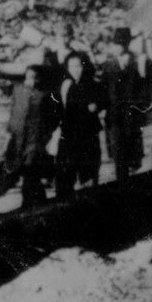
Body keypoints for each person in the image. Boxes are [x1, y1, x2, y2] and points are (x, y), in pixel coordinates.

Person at [0, 64, 55, 209]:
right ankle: (35, 202)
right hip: (19, 137)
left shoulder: (44, 94)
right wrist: (8, 135)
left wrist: (48, 138)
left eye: (34, 77)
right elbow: (14, 114)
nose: (30, 81)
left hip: (36, 138)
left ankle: (30, 203)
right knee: (22, 169)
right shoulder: (18, 90)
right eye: (28, 77)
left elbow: (51, 119)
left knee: (30, 169)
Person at [53, 51, 106, 196]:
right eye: (72, 67)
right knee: (65, 175)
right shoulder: (64, 85)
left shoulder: (91, 84)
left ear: (84, 66)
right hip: (68, 135)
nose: (75, 70)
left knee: (89, 175)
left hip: (88, 135)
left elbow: (104, 99)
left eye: (78, 66)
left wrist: (96, 105)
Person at [103, 51, 148, 181]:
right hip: (115, 118)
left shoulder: (134, 69)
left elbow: (141, 92)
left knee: (133, 156)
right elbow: (104, 91)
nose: (126, 61)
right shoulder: (109, 68)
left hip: (131, 118)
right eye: (123, 59)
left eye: (128, 60)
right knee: (119, 155)